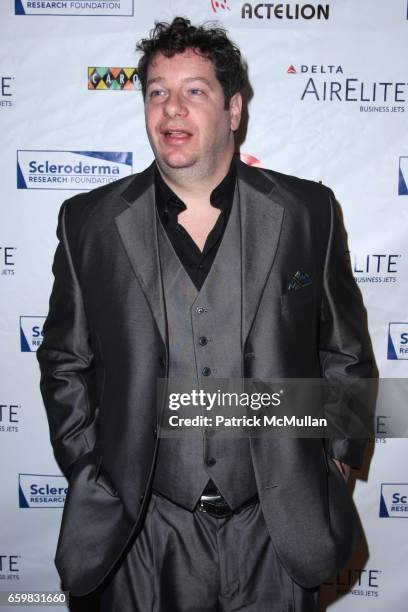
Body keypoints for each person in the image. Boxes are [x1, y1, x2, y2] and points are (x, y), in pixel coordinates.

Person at [37, 16, 374, 612]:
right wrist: (91, 469)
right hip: (138, 530)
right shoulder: (87, 222)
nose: (172, 110)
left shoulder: (308, 211)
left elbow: (345, 353)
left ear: (234, 108)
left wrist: (335, 461)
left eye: (194, 91)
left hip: (275, 528)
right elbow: (66, 360)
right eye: (157, 92)